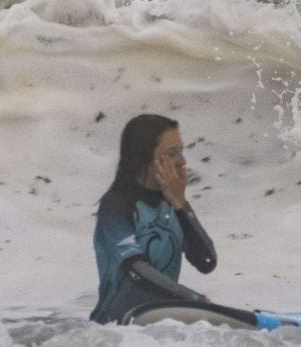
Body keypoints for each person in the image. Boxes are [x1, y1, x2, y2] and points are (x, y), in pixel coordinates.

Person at [91, 113, 220, 324]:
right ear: (143, 158)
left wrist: (181, 204)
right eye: (172, 154)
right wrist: (192, 300)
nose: (182, 161)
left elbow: (206, 262)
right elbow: (135, 269)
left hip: (158, 332)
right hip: (114, 331)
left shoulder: (170, 203)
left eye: (181, 152)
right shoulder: (115, 207)